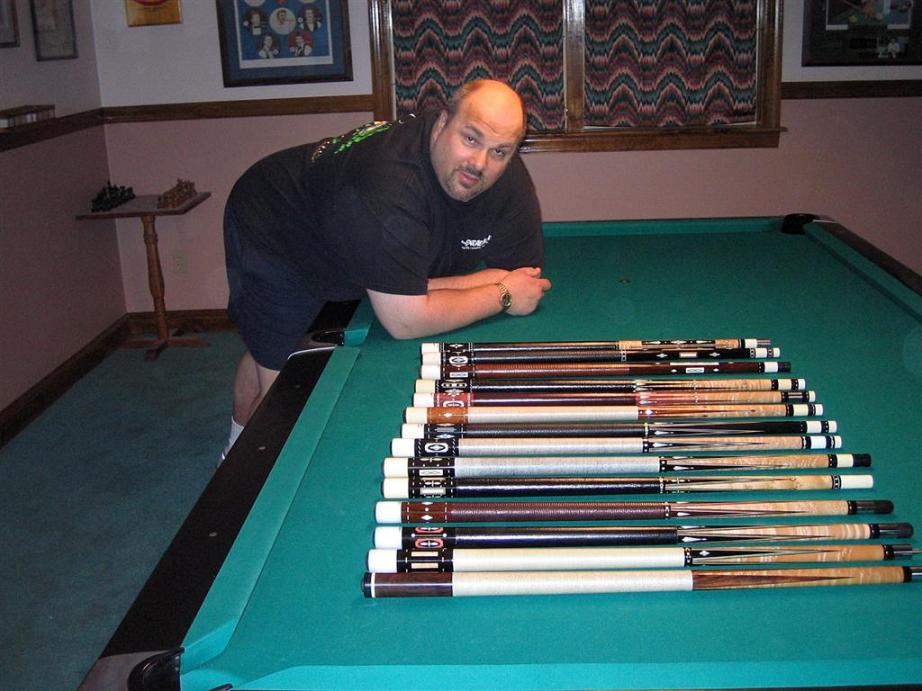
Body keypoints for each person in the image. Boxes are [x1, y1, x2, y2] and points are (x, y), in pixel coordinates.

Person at [223, 79, 551, 454]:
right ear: (442, 123)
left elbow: (524, 276)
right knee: (284, 388)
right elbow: (405, 321)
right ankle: (236, 458)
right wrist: (502, 294)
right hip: (278, 226)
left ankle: (239, 439)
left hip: (351, 229)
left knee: (270, 345)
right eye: (471, 138)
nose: (479, 163)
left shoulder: (508, 179)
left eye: (499, 151)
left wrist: (465, 289)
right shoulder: (389, 179)